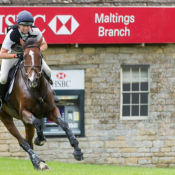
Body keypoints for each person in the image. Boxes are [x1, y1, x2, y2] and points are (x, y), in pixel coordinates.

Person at [0, 10, 59, 108]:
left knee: (48, 71)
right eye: (23, 26)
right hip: (13, 55)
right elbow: (1, 54)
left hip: (30, 56)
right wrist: (16, 56)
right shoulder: (12, 34)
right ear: (18, 25)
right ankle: (1, 98)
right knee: (2, 79)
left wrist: (36, 51)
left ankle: (51, 93)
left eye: (28, 25)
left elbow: (45, 44)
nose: (26, 28)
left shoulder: (35, 31)